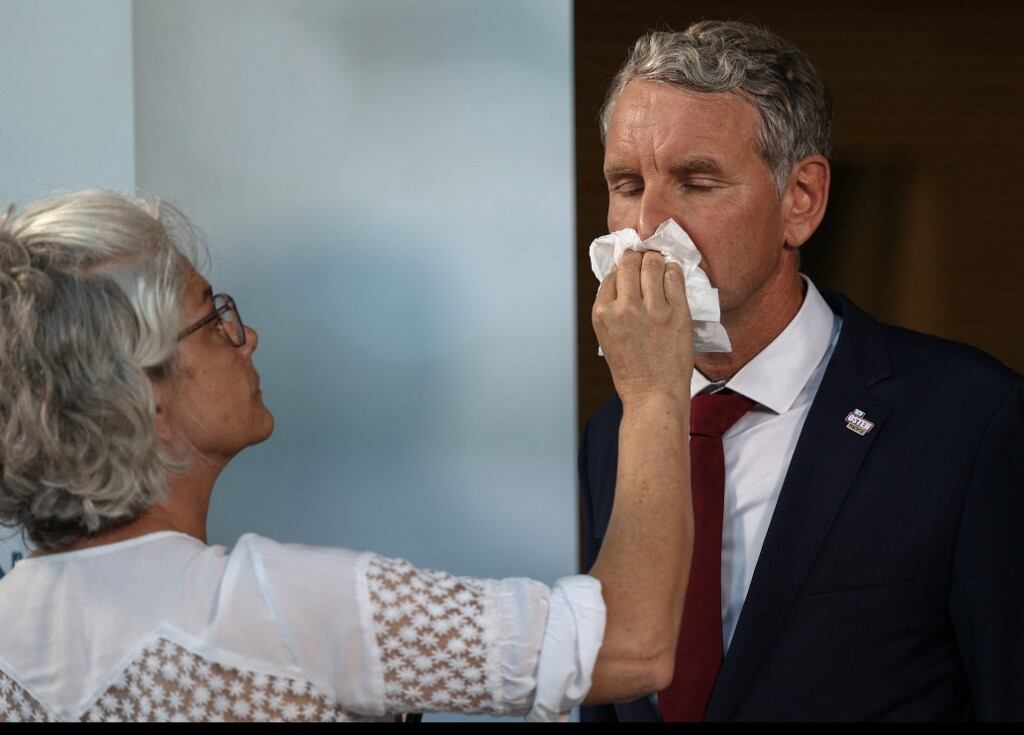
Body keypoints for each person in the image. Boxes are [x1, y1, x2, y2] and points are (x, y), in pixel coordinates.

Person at [0, 189, 694, 722]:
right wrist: (657, 392)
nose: (248, 338)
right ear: (146, 399)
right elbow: (630, 642)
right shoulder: (278, 608)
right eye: (213, 319)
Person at [579, 20, 1023, 722]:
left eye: (696, 183)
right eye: (627, 184)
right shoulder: (614, 434)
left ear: (802, 201)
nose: (647, 226)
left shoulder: (973, 421)